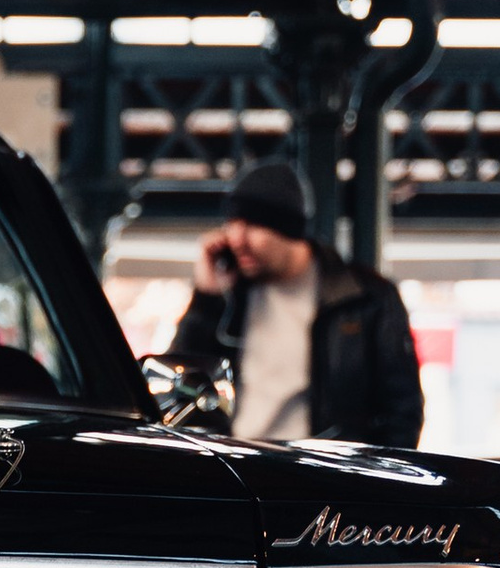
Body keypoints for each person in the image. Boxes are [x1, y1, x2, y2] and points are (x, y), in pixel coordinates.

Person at [167, 159, 424, 449]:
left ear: (287, 229)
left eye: (252, 224)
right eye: (232, 224)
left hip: (323, 477)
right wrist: (205, 299)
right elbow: (179, 388)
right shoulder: (228, 295)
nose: (236, 239)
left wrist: (374, 489)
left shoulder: (365, 297)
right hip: (238, 470)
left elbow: (402, 409)